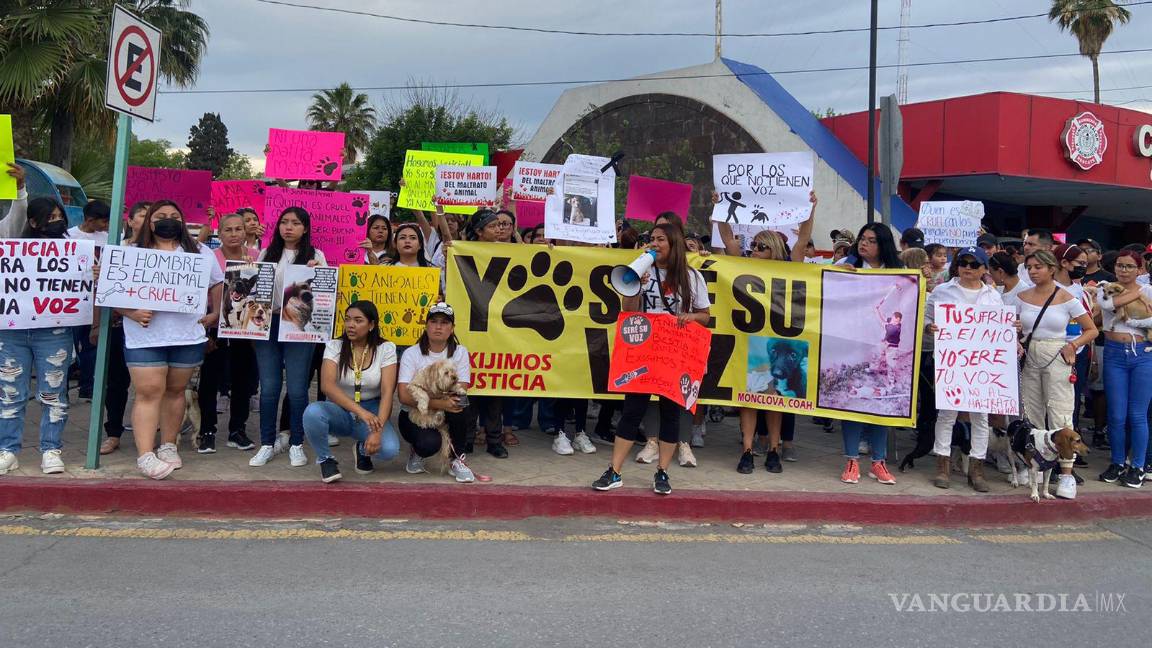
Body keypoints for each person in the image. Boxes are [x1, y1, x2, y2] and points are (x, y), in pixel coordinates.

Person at [592, 223, 712, 495]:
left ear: (674, 244)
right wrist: (635, 287)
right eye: (652, 239)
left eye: (661, 239)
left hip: (674, 349)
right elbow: (628, 311)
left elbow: (705, 315)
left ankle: (662, 472)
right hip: (644, 348)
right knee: (633, 409)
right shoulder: (642, 271)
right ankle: (614, 471)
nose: (655, 244)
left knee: (670, 413)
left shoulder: (692, 277)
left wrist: (691, 317)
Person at [118, 201, 224, 479]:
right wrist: (130, 311)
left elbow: (217, 283)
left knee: (176, 392)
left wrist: (215, 313)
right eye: (161, 216)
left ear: (183, 221)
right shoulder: (131, 252)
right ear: (150, 221)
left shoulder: (201, 252)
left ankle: (167, 445)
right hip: (145, 335)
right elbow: (109, 292)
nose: (168, 220)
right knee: (149, 392)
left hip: (186, 334)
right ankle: (145, 455)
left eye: (174, 216)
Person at [719, 192, 816, 475]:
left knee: (776, 400)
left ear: (773, 248)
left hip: (780, 341)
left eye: (760, 247)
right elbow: (727, 239)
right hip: (750, 342)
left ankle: (774, 450)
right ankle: (747, 450)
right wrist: (720, 207)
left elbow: (802, 239)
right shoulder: (743, 265)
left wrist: (810, 208)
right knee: (748, 401)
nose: (753, 250)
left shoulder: (789, 266)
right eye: (753, 246)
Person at [0, 166, 77, 476]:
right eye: (50, 217)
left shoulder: (73, 250)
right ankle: (7, 450)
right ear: (34, 222)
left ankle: (51, 449)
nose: (57, 222)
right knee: (10, 392)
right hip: (12, 332)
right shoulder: (12, 240)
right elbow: (16, 217)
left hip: (54, 332)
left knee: (54, 393)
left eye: (60, 216)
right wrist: (20, 190)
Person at [1005, 250, 1097, 499]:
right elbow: (1013, 327)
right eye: (1030, 267)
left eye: (1038, 267)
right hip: (1031, 353)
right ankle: (1032, 464)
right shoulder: (1021, 297)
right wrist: (1015, 335)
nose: (1033, 271)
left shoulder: (1066, 297)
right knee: (1032, 412)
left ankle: (1066, 474)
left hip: (1057, 353)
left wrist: (1072, 345)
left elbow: (1091, 330)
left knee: (1060, 412)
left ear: (1051, 268)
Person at [251, 207, 327, 468]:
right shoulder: (266, 253)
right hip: (269, 326)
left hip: (297, 329)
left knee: (297, 389)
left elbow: (324, 294)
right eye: (284, 222)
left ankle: (296, 443)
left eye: (295, 223)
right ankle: (266, 443)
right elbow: (257, 289)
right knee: (269, 388)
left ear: (305, 228)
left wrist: (316, 272)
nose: (289, 227)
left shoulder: (316, 255)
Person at [923, 246, 1004, 492]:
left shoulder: (992, 296)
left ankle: (976, 469)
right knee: (947, 414)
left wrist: (1011, 327)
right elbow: (926, 318)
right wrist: (930, 328)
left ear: (983, 268)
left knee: (980, 416)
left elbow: (999, 327)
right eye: (963, 262)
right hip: (952, 361)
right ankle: (942, 465)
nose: (967, 268)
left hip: (982, 364)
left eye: (973, 263)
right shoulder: (942, 291)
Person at [302, 301, 400, 482]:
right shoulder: (335, 346)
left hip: (372, 409)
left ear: (371, 325)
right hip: (342, 408)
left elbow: (387, 392)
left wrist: (376, 432)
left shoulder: (386, 348)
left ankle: (362, 450)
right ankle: (326, 460)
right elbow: (327, 386)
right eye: (347, 320)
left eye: (358, 320)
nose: (350, 325)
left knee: (389, 449)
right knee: (312, 412)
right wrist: (360, 412)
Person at [837, 222, 903, 486]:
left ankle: (879, 461)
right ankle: (852, 459)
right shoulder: (847, 264)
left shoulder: (899, 274)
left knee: (881, 402)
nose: (864, 243)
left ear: (883, 244)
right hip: (852, 344)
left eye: (871, 240)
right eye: (862, 238)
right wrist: (836, 272)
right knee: (852, 402)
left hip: (884, 351)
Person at [195, 213, 258, 454]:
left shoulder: (255, 257)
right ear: (219, 234)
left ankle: (237, 430)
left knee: (243, 381)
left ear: (245, 232)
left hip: (246, 330)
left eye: (238, 229)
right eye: (228, 230)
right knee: (210, 381)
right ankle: (207, 430)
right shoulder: (210, 258)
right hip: (214, 329)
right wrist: (205, 330)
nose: (234, 234)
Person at [397, 303, 477, 482]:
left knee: (462, 405)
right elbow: (403, 395)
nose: (438, 327)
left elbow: (461, 388)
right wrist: (439, 403)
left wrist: (443, 401)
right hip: (414, 413)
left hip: (444, 409)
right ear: (426, 326)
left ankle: (457, 458)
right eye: (434, 322)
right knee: (429, 444)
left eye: (444, 322)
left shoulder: (460, 352)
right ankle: (417, 452)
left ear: (452, 328)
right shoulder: (412, 353)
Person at [1095, 250, 1152, 487]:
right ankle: (1117, 462)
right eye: (1120, 265)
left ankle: (1137, 465)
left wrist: (1138, 295)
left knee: (1137, 414)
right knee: (1116, 415)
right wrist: (1135, 293)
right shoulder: (1105, 288)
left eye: (1130, 266)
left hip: (1143, 353)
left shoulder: (1148, 290)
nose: (1123, 270)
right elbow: (1109, 304)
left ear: (1140, 269)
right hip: (1114, 352)